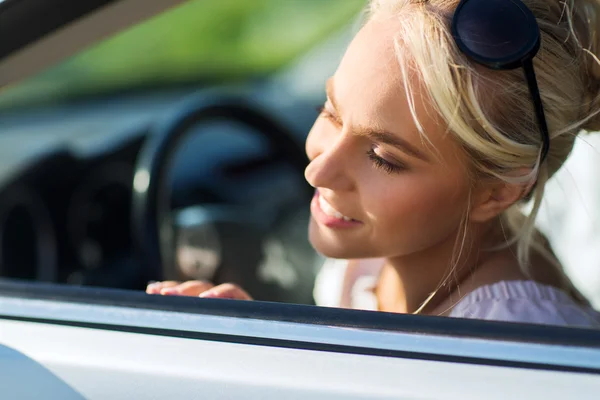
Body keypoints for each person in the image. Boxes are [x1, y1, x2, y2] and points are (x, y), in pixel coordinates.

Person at [147, 0, 600, 328]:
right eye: (330, 110)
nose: (317, 172)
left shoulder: (508, 349)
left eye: (383, 158)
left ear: (497, 192)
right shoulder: (378, 255)